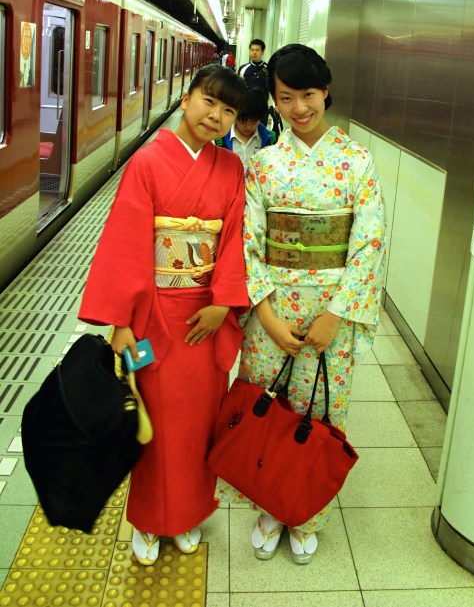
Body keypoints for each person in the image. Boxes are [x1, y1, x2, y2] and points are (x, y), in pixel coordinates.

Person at [216, 43, 387, 564]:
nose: (299, 108)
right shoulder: (264, 165)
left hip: (334, 315)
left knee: (322, 410)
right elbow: (250, 240)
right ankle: (270, 507)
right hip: (274, 312)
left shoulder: (356, 160)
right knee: (273, 407)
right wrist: (263, 313)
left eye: (308, 94)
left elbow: (370, 240)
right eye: (286, 97)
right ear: (273, 99)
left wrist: (337, 313)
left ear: (326, 91)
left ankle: (306, 512)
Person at [79, 66, 249, 566]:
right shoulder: (147, 163)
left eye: (229, 111)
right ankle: (151, 519)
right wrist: (122, 320)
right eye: (209, 102)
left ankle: (191, 512)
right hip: (154, 316)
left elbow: (235, 235)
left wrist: (223, 302)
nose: (215, 117)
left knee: (199, 425)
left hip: (205, 319)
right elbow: (126, 244)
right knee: (153, 426)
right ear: (187, 97)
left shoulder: (232, 169)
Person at [215, 86, 276, 173]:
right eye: (243, 122)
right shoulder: (219, 139)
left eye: (254, 122)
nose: (249, 127)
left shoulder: (271, 140)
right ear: (234, 116)